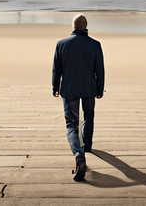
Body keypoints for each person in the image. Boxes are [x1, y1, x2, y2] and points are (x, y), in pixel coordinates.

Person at [52, 14, 104, 182]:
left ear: (73, 26)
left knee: (71, 123)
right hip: (89, 87)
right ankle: (87, 145)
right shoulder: (95, 45)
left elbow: (56, 69)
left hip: (69, 88)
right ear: (86, 26)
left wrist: (55, 87)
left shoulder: (62, 44)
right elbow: (99, 70)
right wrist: (99, 89)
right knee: (88, 115)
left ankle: (79, 155)